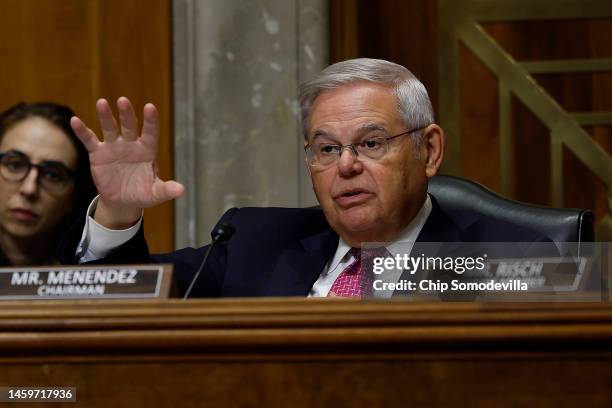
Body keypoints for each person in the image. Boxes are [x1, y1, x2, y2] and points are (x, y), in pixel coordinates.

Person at [59, 58, 545, 297]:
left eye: (371, 143)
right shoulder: (254, 241)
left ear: (429, 149)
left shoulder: (510, 258)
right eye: (327, 149)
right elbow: (121, 298)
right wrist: (119, 212)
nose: (347, 166)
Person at [0, 102, 97, 265]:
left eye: (52, 175)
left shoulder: (88, 263)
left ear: (73, 196)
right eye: (15, 165)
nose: (29, 189)